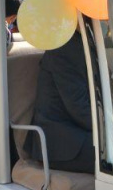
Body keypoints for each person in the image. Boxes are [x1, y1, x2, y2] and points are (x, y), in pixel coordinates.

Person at [27, 29, 94, 174]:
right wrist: (112, 130)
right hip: (61, 141)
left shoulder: (90, 41)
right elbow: (79, 108)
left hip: (79, 131)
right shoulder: (65, 47)